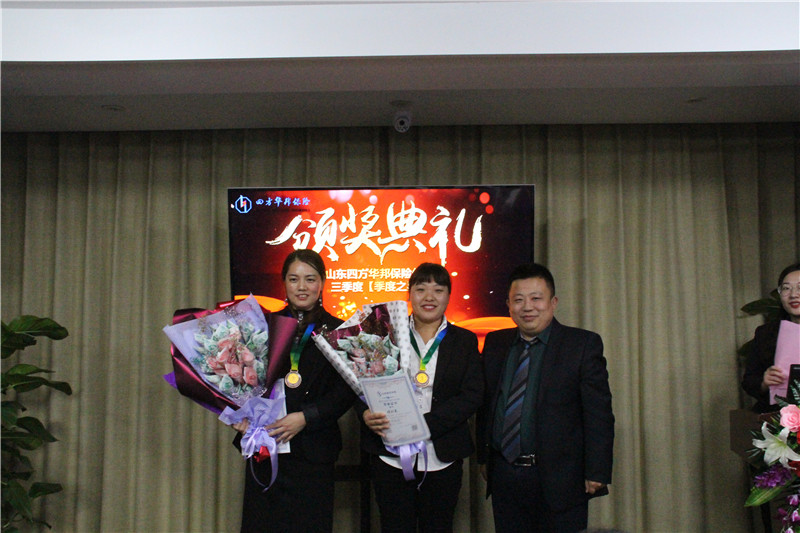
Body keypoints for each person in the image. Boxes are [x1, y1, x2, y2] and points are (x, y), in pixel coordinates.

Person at [476, 262, 614, 533]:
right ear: (508, 305)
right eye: (518, 300)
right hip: (505, 474)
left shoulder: (581, 345)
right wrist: (484, 457)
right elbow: (488, 404)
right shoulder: (495, 343)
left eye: (536, 298)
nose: (527, 307)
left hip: (561, 478)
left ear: (553, 303)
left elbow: (598, 413)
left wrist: (597, 471)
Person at [233, 249, 355, 533]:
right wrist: (241, 416)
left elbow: (346, 392)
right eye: (294, 279)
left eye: (310, 279)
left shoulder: (340, 331)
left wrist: (306, 417)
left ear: (322, 283)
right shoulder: (262, 326)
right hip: (266, 445)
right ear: (284, 282)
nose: (302, 287)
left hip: (314, 450)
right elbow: (239, 379)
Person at [359, 262, 484, 533]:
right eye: (421, 289)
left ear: (448, 296)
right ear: (409, 294)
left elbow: (472, 395)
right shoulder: (386, 335)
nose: (429, 297)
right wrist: (366, 413)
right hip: (390, 455)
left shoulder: (464, 340)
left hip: (442, 454)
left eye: (438, 290)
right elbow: (363, 384)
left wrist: (424, 424)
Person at [742, 262, 800, 413]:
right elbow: (749, 381)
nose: (793, 295)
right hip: (776, 415)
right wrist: (764, 382)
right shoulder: (765, 333)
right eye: (786, 288)